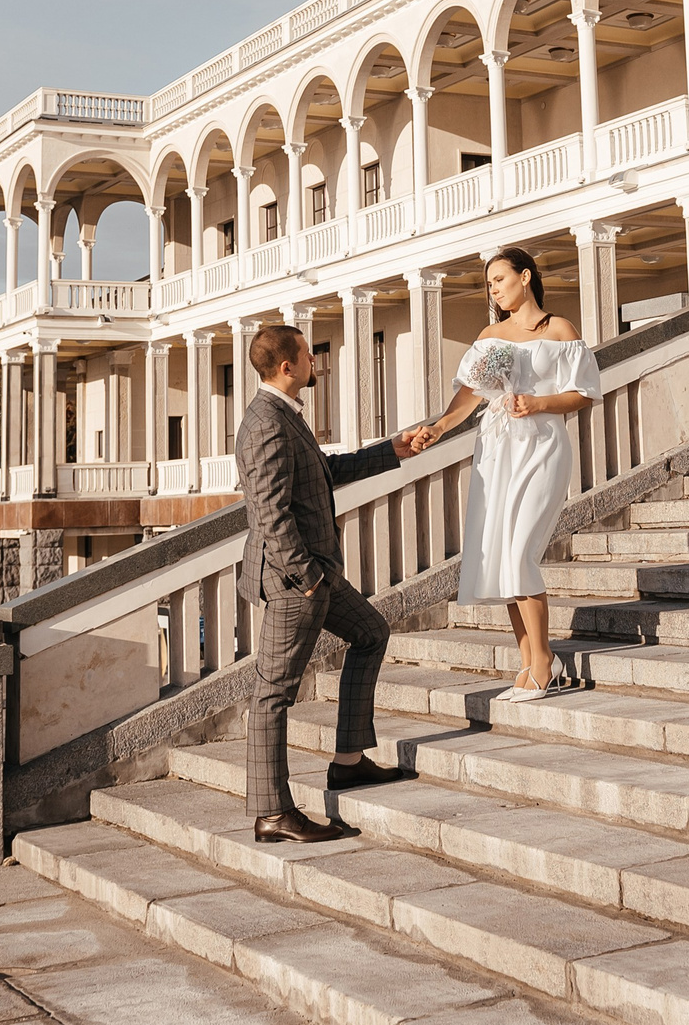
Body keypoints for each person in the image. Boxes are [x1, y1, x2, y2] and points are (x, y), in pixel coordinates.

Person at [237, 321, 429, 844]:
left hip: (310, 575)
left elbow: (327, 470)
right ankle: (273, 811)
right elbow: (270, 515)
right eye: (308, 355)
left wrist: (393, 449)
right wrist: (307, 578)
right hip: (294, 580)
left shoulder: (284, 416)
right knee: (272, 695)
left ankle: (348, 760)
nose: (315, 362)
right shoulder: (265, 424)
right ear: (287, 366)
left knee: (370, 632)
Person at [411, 246, 600, 702]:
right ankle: (531, 662)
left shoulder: (559, 329)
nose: (493, 288)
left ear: (526, 276)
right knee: (501, 555)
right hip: (497, 451)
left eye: (499, 278)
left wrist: (538, 403)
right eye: (489, 282)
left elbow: (584, 393)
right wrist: (437, 427)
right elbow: (469, 396)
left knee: (520, 554)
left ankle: (544, 662)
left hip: (542, 447)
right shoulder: (490, 335)